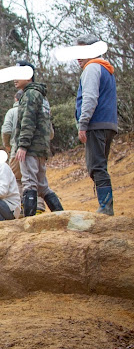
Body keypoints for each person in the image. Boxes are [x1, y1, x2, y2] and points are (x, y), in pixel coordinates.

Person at [56, 35, 118, 215]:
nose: (78, 57)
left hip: (96, 124)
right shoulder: (107, 69)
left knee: (96, 166)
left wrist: (83, 124)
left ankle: (106, 208)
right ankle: (106, 206)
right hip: (109, 123)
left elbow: (90, 98)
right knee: (100, 165)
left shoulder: (92, 69)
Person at [0, 60, 63, 216]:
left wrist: (23, 146)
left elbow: (28, 121)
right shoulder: (41, 96)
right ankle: (60, 214)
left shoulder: (29, 95)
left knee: (29, 183)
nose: (15, 79)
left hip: (31, 147)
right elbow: (47, 126)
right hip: (41, 147)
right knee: (42, 185)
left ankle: (29, 220)